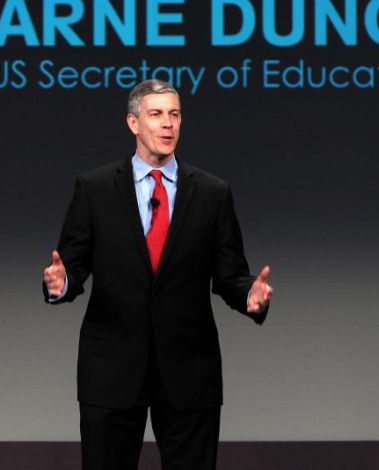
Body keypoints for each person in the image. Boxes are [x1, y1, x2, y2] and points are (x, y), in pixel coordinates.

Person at [42, 79, 273, 470]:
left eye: (175, 114)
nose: (168, 124)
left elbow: (230, 273)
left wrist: (249, 295)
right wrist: (61, 283)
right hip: (112, 368)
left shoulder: (213, 193)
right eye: (156, 114)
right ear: (133, 123)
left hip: (188, 369)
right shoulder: (94, 189)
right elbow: (73, 265)